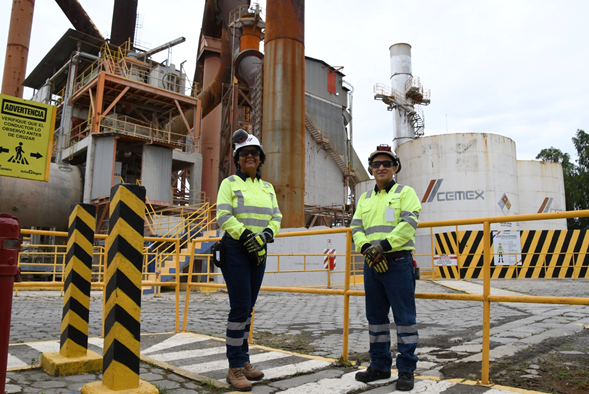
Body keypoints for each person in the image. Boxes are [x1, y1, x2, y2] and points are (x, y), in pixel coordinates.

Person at [351, 144, 421, 391]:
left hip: (398, 262)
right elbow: (356, 228)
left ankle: (406, 370)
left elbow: (409, 223)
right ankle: (379, 366)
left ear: (395, 168)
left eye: (387, 164)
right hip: (372, 263)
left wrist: (382, 246)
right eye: (377, 164)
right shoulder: (365, 198)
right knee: (376, 318)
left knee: (404, 318)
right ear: (370, 170)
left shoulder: (405, 193)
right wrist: (368, 250)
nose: (381, 167)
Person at [216, 129, 282, 392]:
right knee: (240, 307)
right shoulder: (229, 184)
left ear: (261, 158)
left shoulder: (267, 188)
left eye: (254, 153)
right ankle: (234, 367)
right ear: (238, 159)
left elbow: (276, 217)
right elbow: (223, 216)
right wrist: (245, 236)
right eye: (244, 154)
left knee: (249, 309)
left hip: (260, 250)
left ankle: (243, 361)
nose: (250, 157)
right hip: (236, 249)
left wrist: (266, 235)